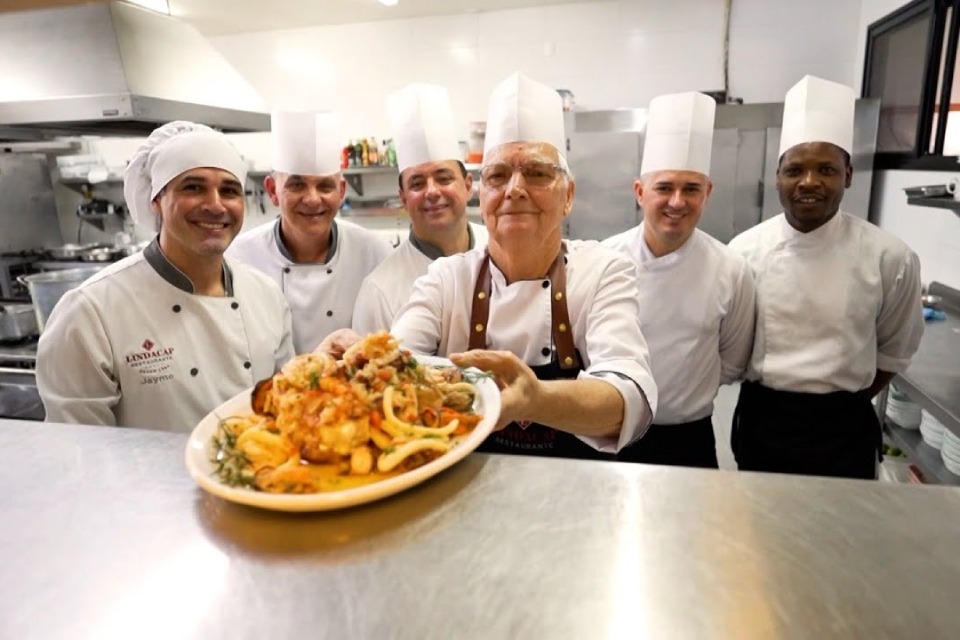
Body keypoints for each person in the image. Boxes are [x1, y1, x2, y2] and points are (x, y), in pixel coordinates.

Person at [388, 72, 658, 459]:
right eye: (498, 176)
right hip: (468, 485)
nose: (514, 189)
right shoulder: (447, 279)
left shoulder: (602, 272)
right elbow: (395, 367)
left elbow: (627, 396)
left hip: (577, 486)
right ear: (482, 196)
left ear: (568, 196)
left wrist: (537, 399)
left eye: (537, 173)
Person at [36, 121, 295, 430]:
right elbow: (79, 446)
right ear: (156, 200)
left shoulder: (266, 294)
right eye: (193, 187)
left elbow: (286, 410)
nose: (215, 205)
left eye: (229, 191)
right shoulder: (90, 312)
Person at [727, 75, 924, 479]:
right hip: (763, 421)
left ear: (848, 175)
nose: (809, 182)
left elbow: (894, 351)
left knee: (843, 521)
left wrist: (838, 401)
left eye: (826, 169)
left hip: (844, 427)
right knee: (759, 517)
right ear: (778, 177)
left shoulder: (890, 257)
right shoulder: (743, 252)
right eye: (795, 170)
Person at [603, 91, 756, 468]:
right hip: (612, 432)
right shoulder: (605, 260)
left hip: (689, 437)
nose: (677, 201)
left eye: (691, 189)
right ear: (640, 192)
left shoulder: (731, 268)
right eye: (664, 187)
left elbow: (733, 361)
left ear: (708, 193)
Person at [227, 111, 393, 354]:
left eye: (325, 186)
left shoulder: (375, 253)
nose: (313, 199)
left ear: (341, 192)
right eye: (297, 185)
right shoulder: (238, 258)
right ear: (272, 190)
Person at [353, 83, 488, 334]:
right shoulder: (379, 291)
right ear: (403, 199)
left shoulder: (502, 253)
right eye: (417, 184)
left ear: (468, 185)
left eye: (444, 178)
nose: (432, 192)